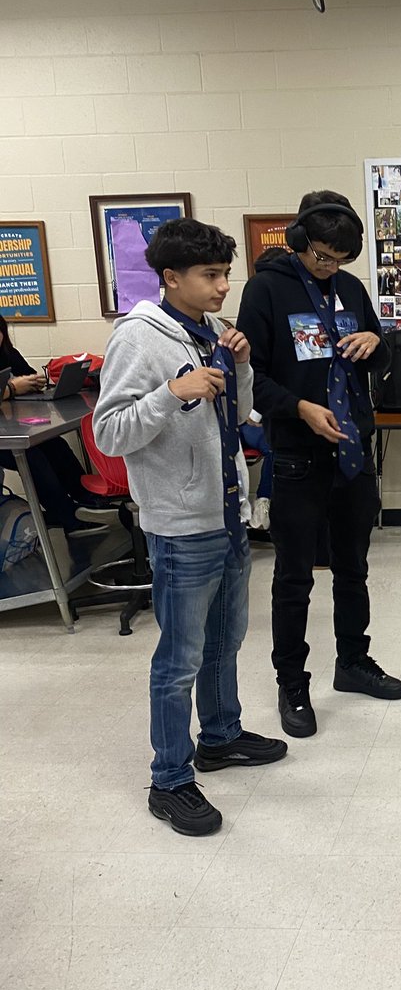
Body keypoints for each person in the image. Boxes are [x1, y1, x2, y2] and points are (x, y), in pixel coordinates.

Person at [93, 218, 287, 837]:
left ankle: (221, 737)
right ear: (170, 277)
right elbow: (108, 432)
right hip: (180, 524)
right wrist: (171, 393)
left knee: (225, 640)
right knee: (179, 660)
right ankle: (170, 778)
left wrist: (243, 366)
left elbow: (240, 412)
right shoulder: (138, 338)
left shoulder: (212, 331)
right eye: (210, 275)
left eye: (226, 273)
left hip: (227, 513)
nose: (223, 285)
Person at [237, 189, 401, 741]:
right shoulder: (266, 290)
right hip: (297, 455)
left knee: (353, 567)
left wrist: (374, 341)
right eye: (323, 257)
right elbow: (252, 378)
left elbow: (379, 355)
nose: (331, 267)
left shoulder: (350, 287)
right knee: (294, 578)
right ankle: (292, 683)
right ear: (299, 241)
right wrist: (300, 408)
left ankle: (352, 662)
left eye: (340, 259)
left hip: (353, 450)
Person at [0, 316, 114, 537]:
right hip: (6, 442)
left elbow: (29, 374)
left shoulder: (7, 353)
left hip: (12, 427)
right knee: (32, 457)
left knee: (54, 445)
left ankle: (88, 500)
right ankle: (69, 518)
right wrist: (12, 389)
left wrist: (33, 382)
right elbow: (14, 387)